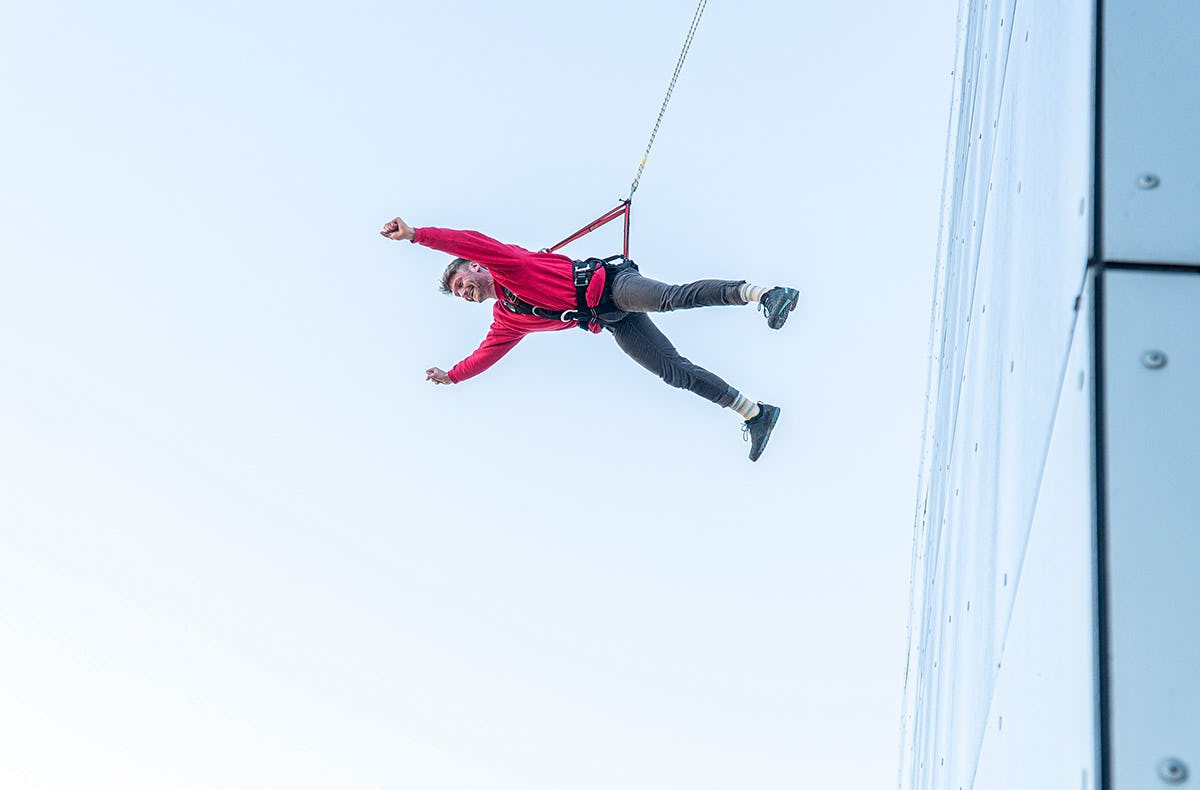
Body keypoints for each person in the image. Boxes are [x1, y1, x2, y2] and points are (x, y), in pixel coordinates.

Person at [379, 216, 800, 461]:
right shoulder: (506, 320)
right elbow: (484, 355)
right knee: (673, 372)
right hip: (611, 318)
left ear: (476, 267)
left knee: (670, 299)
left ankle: (765, 294)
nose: (464, 293)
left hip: (614, 285)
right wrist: (453, 376)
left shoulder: (507, 264)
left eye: (461, 283)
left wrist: (417, 235)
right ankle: (755, 414)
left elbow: (468, 241)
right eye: (458, 295)